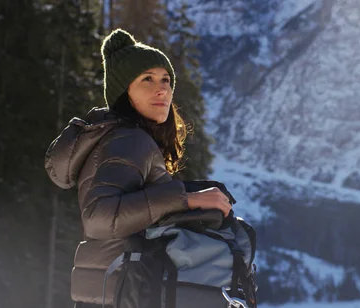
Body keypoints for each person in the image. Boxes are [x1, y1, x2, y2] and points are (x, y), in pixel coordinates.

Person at [44, 28, 232, 307]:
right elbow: (100, 216)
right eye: (147, 79)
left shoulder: (122, 137)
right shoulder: (130, 140)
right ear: (124, 91)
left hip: (112, 292)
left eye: (166, 80)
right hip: (125, 292)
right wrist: (187, 199)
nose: (163, 89)